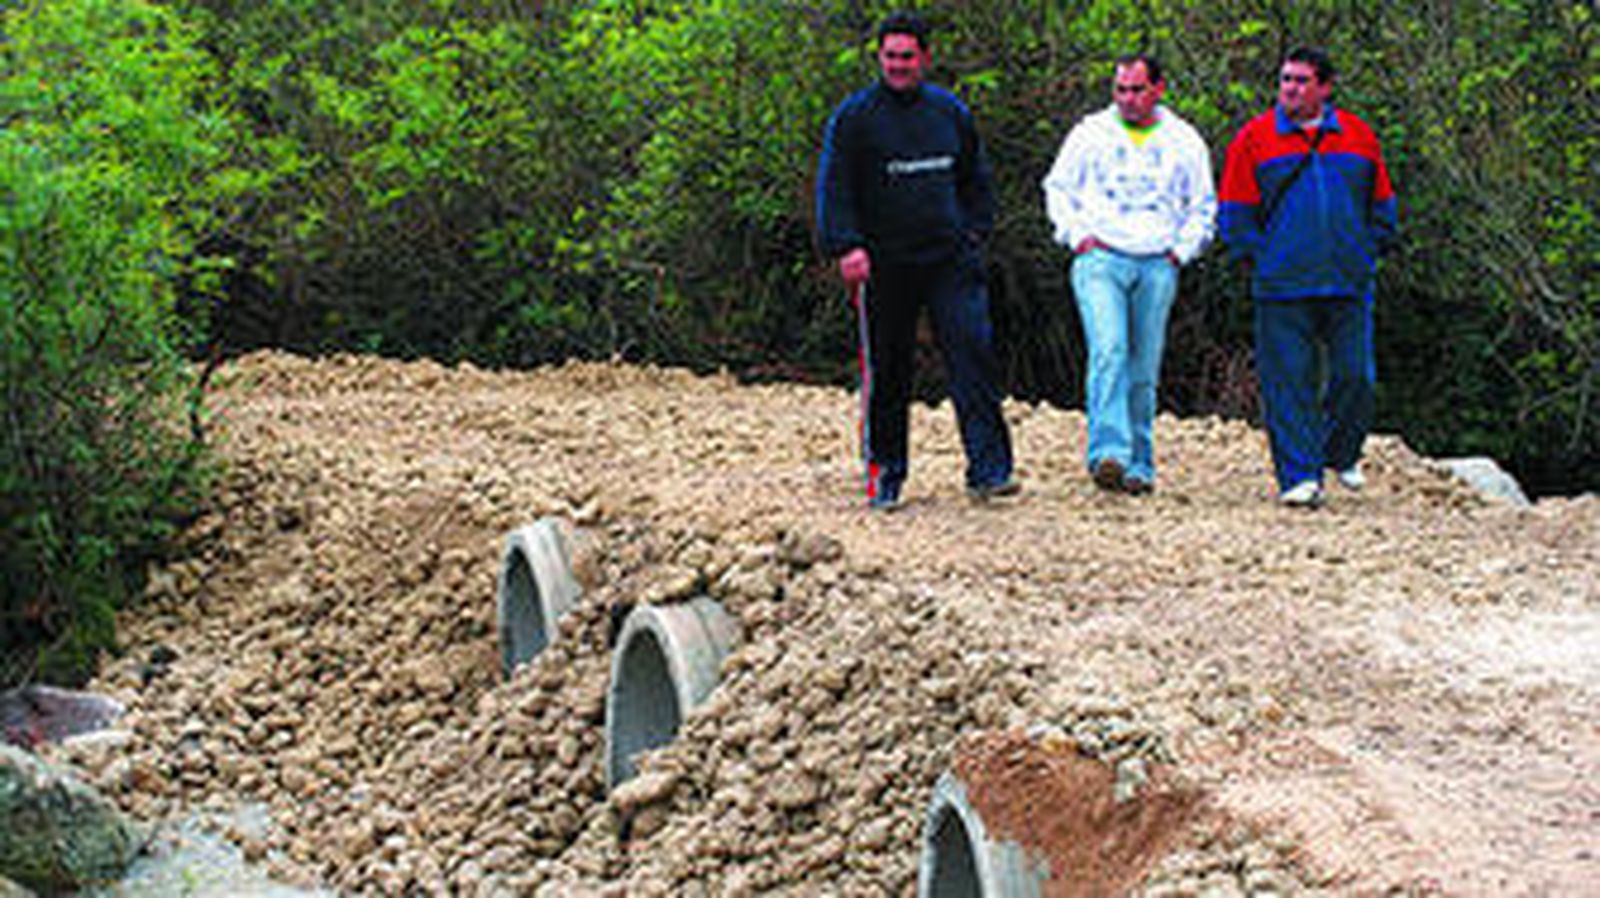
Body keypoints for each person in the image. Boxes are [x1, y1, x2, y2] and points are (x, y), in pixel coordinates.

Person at [815, 11, 1017, 512]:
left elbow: (976, 179)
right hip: (883, 263)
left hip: (949, 258)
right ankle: (884, 474)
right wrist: (846, 245)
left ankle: (990, 471)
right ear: (879, 58)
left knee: (972, 354)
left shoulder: (949, 112)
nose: (898, 65)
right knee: (887, 369)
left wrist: (975, 231)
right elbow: (834, 186)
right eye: (890, 57)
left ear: (925, 58)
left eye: (907, 57)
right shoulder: (855, 117)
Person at [1219, 46, 1398, 508]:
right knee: (1288, 383)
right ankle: (1299, 475)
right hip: (1282, 285)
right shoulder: (1255, 138)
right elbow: (1235, 212)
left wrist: (1370, 247)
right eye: (1285, 80)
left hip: (1348, 280)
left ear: (1325, 87)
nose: (1290, 89)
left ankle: (1340, 452)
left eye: (1301, 81)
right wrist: (1262, 258)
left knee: (1356, 376)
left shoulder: (1358, 135)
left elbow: (1381, 202)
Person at [1041, 54, 1216, 495]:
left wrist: (1181, 251)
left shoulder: (1184, 140)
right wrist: (1075, 235)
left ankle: (1140, 462)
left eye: (1137, 90)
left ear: (1158, 89)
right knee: (1109, 348)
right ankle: (1108, 452)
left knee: (1144, 364)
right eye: (1121, 90)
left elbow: (1202, 205)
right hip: (1101, 256)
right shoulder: (1090, 133)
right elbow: (1058, 187)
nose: (1128, 99)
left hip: (1157, 260)